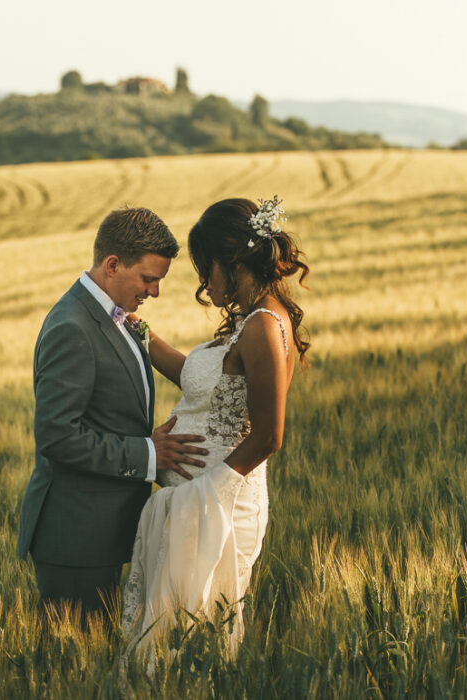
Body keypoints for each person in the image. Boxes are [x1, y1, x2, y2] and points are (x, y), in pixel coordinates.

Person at [121, 196, 310, 657]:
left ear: (231, 261)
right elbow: (195, 376)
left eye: (206, 268)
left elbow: (269, 435)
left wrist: (204, 494)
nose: (205, 282)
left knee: (193, 641)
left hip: (218, 508)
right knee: (174, 637)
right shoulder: (249, 320)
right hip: (198, 506)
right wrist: (134, 329)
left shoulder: (265, 325)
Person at [17, 207, 209, 629]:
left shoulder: (115, 318)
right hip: (75, 537)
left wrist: (146, 438)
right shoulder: (72, 326)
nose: (155, 292)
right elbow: (57, 436)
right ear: (112, 265)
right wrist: (146, 454)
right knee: (71, 675)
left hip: (104, 531)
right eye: (148, 279)